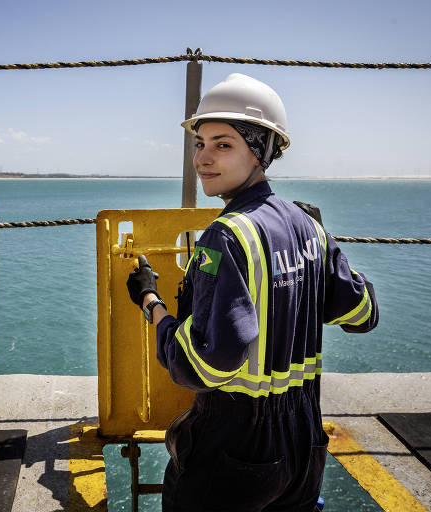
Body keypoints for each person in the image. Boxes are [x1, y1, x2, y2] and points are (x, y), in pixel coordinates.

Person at [126, 73, 379, 512]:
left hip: (234, 449)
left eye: (223, 145)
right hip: (304, 444)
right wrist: (321, 251)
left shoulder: (225, 236)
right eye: (200, 144)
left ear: (261, 151)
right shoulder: (309, 226)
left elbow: (204, 366)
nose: (203, 158)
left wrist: (152, 302)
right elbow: (363, 314)